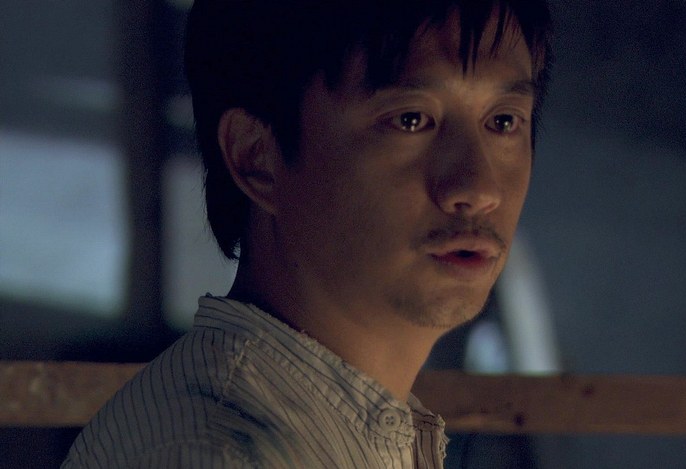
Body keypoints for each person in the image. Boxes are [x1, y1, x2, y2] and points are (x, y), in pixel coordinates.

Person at [62, 0, 552, 467]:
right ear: (257, 157)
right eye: (410, 120)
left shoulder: (355, 430)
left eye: (503, 121)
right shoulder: (220, 454)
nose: (479, 188)